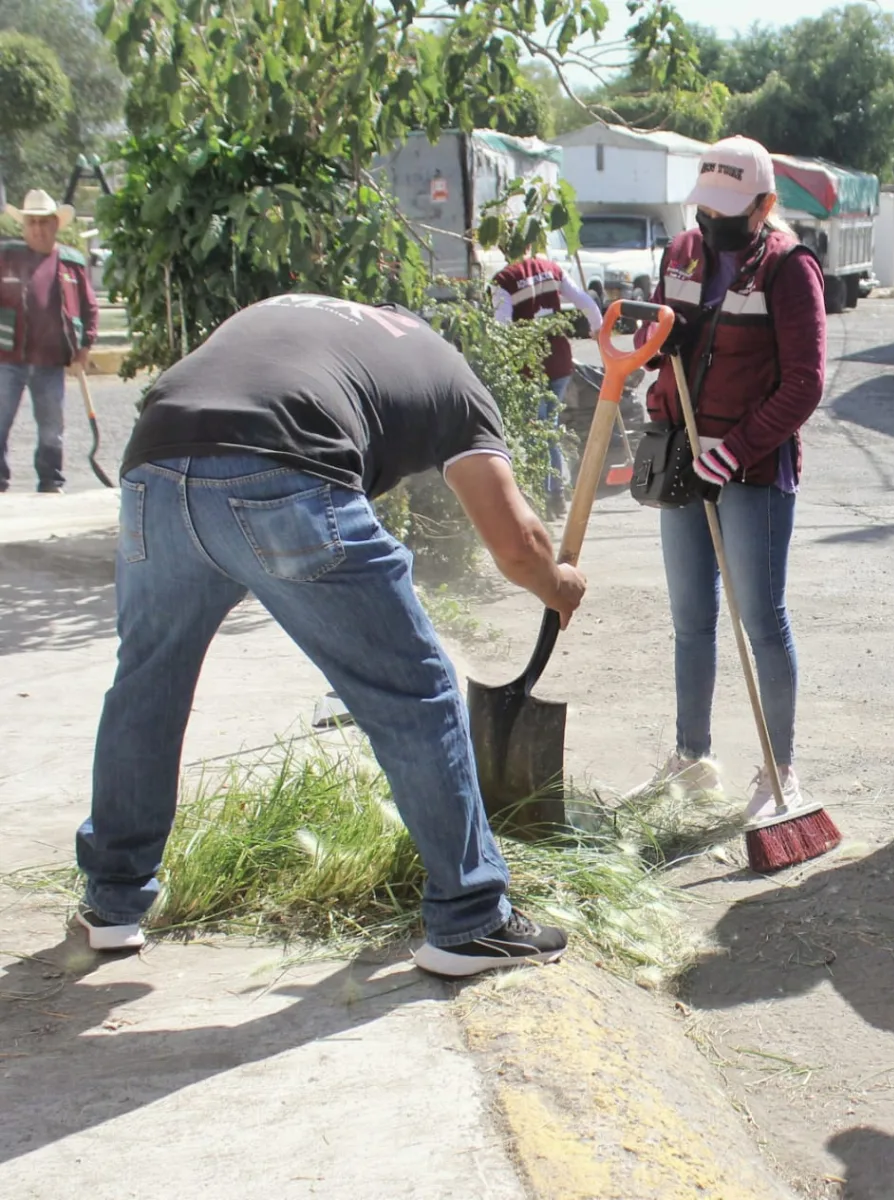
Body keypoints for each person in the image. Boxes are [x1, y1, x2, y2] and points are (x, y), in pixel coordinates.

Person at [74, 294, 587, 977]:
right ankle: (470, 918)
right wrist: (557, 587)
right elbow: (518, 544)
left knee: (147, 687)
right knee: (414, 693)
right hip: (283, 471)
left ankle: (111, 906)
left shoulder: (292, 312)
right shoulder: (449, 372)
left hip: (155, 474)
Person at [637, 136, 826, 820]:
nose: (711, 223)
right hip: (683, 455)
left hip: (754, 469)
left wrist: (738, 447)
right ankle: (692, 760)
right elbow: (663, 341)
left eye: (728, 210)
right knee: (691, 619)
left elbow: (805, 382)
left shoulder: (788, 267)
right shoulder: (680, 254)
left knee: (762, 622)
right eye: (705, 207)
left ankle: (780, 773)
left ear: (765, 204)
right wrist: (647, 352)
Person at [0, 190, 98, 493]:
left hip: (50, 362)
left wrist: (84, 346)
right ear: (24, 226)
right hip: (8, 359)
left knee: (52, 428)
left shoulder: (71, 263)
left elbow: (89, 306)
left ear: (56, 225)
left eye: (44, 222)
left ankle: (50, 480)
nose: (38, 229)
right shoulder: (6, 257)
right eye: (32, 223)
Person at [492, 252, 604, 517]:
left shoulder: (505, 279)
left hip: (529, 368)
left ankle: (547, 497)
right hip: (559, 362)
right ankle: (555, 495)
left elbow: (502, 326)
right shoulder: (551, 269)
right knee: (549, 430)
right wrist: (598, 328)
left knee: (537, 432)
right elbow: (585, 300)